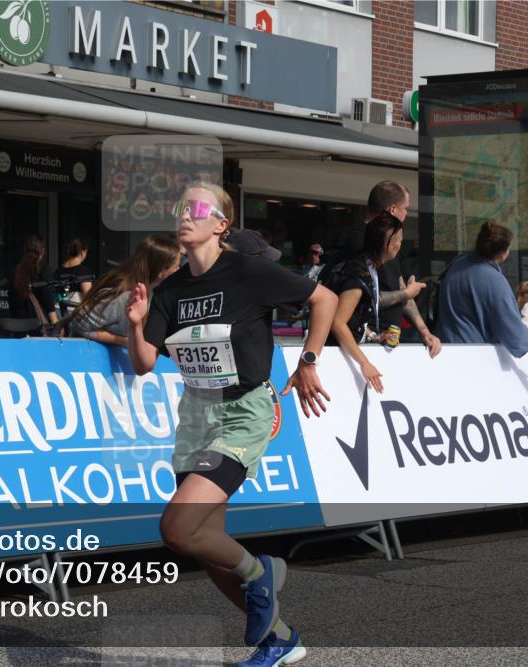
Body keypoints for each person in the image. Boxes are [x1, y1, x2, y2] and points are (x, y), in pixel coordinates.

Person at [126, 182, 338, 665]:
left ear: (221, 224)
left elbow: (323, 299)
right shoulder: (171, 289)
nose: (185, 214)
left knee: (177, 527)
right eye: (180, 207)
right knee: (204, 542)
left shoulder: (247, 270)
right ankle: (278, 639)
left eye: (197, 208)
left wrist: (307, 360)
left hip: (244, 412)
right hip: (197, 413)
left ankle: (261, 571)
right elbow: (143, 363)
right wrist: (136, 324)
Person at [436, 220, 528, 377]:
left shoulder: (458, 263)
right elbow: (509, 322)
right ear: (502, 253)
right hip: (471, 355)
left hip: (443, 347)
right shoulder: (494, 280)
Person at [325, 212, 404, 393]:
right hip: (336, 360)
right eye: (400, 240)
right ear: (390, 246)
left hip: (341, 356)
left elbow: (353, 319)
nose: (401, 245)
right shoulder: (358, 275)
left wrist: (375, 336)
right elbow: (338, 323)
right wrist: (365, 363)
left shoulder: (367, 268)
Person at [365, 181, 442, 358]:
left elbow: (402, 292)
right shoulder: (360, 244)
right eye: (405, 208)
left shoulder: (391, 245)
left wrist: (425, 332)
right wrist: (407, 293)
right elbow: (364, 298)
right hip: (368, 346)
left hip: (390, 345)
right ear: (393, 210)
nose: (407, 214)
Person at [69, 235, 180, 346]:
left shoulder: (151, 292)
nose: (178, 270)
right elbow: (79, 325)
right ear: (161, 270)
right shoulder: (123, 296)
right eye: (176, 267)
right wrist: (123, 341)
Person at [9, 236, 58, 327]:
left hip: (16, 325)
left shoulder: (17, 270)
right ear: (42, 251)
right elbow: (48, 301)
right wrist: (56, 323)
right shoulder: (43, 270)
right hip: (37, 326)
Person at [53, 238, 94, 302]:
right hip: (75, 310)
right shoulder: (83, 272)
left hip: (58, 309)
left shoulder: (58, 271)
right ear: (83, 252)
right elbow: (89, 297)